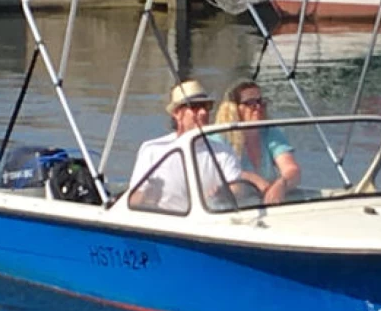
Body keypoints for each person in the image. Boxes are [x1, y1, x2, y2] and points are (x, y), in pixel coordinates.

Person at [128, 79, 242, 212]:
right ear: (177, 113)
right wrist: (147, 195)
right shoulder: (153, 150)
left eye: (206, 106)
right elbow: (132, 200)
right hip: (168, 221)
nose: (203, 113)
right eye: (195, 107)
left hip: (210, 219)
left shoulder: (223, 151)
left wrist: (223, 193)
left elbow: (237, 187)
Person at [215, 79, 301, 204]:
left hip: (268, 202)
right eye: (251, 103)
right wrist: (253, 179)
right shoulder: (219, 139)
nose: (258, 107)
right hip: (233, 206)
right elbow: (217, 175)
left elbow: (292, 169)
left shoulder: (270, 132)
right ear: (233, 109)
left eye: (261, 101)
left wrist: (281, 184)